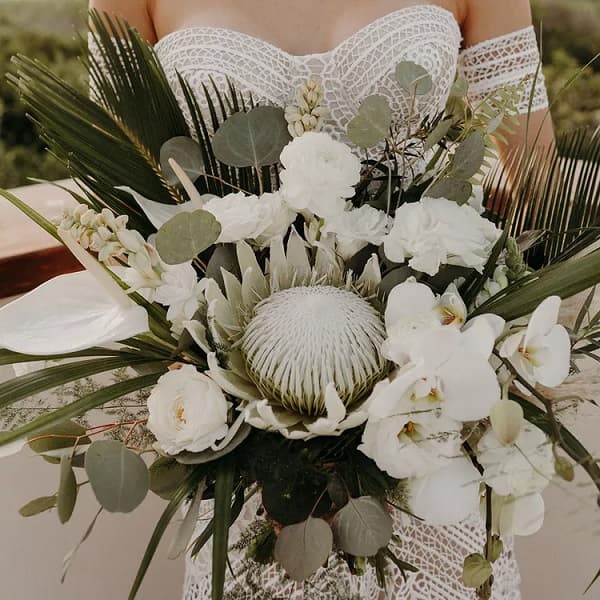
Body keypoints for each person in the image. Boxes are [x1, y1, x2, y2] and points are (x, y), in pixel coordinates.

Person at [87, 1, 552, 597]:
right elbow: (113, 182)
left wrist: (491, 343)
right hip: (242, 427)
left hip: (427, 415)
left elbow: (538, 177)